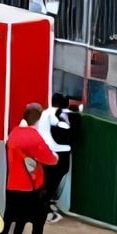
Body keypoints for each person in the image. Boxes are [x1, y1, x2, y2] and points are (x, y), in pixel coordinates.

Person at [2, 103, 58, 234]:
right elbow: (50, 159)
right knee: (39, 217)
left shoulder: (14, 133)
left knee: (16, 218)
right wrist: (55, 157)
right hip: (31, 186)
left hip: (12, 184)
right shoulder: (34, 137)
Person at [37, 92, 78, 222]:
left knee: (46, 181)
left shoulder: (44, 113)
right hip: (57, 153)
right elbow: (65, 133)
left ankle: (43, 206)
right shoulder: (56, 115)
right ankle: (44, 209)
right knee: (51, 183)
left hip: (45, 152)